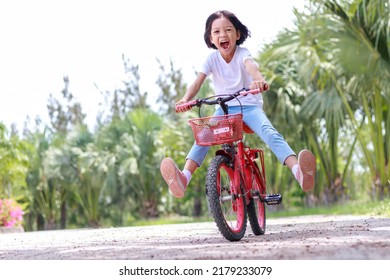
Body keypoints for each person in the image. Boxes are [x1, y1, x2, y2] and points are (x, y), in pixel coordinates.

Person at [160, 10, 316, 198]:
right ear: (210, 39)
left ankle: (298, 171)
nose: (223, 35)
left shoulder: (243, 53)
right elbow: (197, 82)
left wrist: (259, 80)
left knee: (269, 132)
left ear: (238, 34)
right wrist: (185, 100)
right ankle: (184, 178)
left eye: (228, 30)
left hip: (249, 106)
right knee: (203, 136)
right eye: (216, 32)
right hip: (224, 109)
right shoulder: (211, 59)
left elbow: (252, 67)